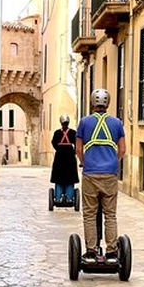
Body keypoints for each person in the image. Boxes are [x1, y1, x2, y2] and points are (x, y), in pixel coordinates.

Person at [75, 88, 126, 264]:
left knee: (89, 214)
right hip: (109, 174)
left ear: (92, 103)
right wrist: (113, 161)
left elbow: (79, 149)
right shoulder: (117, 123)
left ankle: (90, 252)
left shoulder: (84, 122)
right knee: (110, 214)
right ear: (108, 103)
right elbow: (123, 149)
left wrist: (84, 162)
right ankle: (112, 253)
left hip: (90, 173)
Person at [50, 114, 79, 203]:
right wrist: (73, 152)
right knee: (70, 178)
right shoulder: (73, 133)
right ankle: (69, 198)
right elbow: (77, 144)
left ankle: (58, 198)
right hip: (70, 157)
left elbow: (54, 143)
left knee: (58, 178)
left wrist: (59, 149)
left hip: (59, 158)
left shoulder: (57, 133)